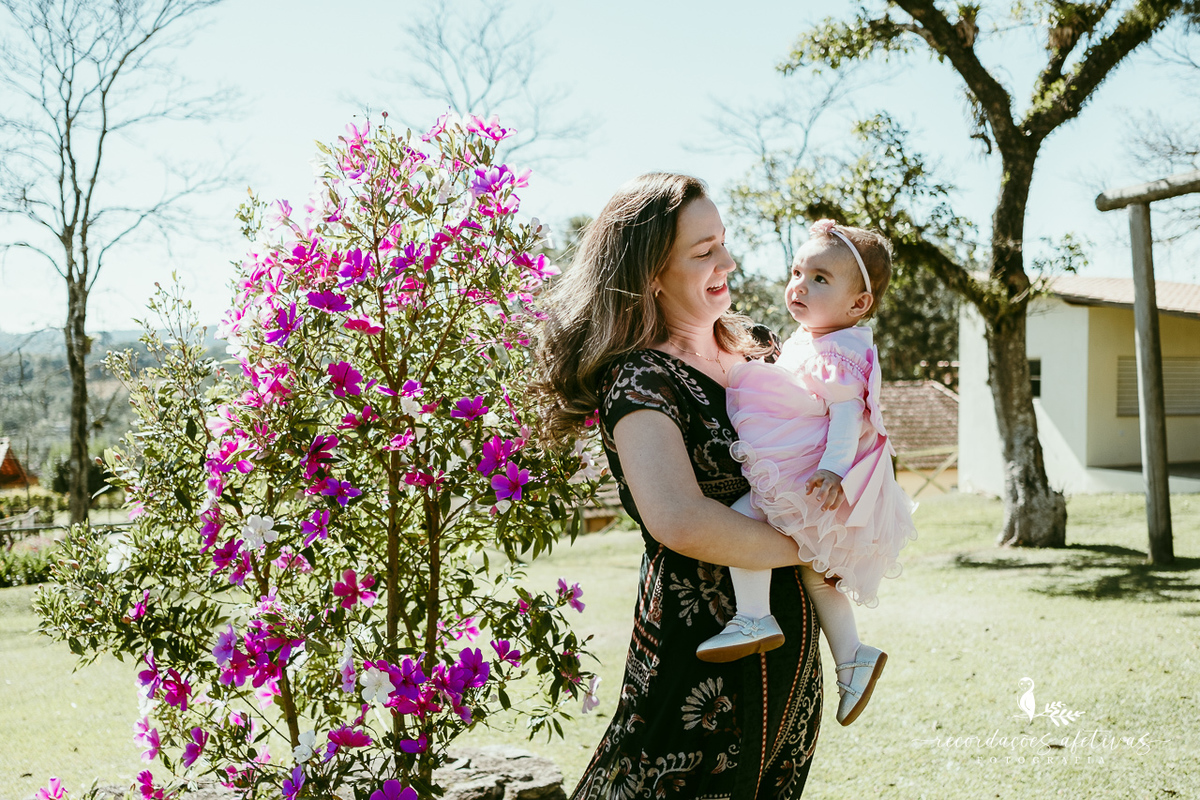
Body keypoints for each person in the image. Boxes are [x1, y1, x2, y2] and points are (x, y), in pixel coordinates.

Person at [533, 173, 824, 799]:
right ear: (651, 276)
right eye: (703, 251)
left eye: (723, 242)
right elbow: (679, 518)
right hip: (699, 660)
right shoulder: (641, 380)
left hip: (793, 651)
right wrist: (817, 547)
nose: (728, 262)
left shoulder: (761, 351)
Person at [694, 219, 917, 727]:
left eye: (820, 279)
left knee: (742, 521)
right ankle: (854, 657)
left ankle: (754, 616)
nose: (799, 285)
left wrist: (833, 470)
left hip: (812, 475)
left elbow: (847, 415)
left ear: (858, 303)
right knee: (820, 574)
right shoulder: (822, 339)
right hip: (813, 471)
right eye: (797, 272)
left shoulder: (839, 351)